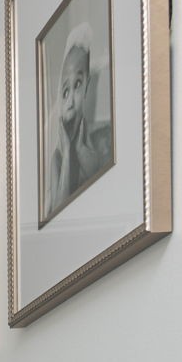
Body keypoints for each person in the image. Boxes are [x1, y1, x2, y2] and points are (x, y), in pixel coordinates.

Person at [44, 20, 112, 220]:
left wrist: (76, 149)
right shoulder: (57, 160)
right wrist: (66, 154)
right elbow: (58, 210)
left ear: (87, 87)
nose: (71, 100)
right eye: (65, 91)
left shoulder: (96, 147)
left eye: (78, 84)